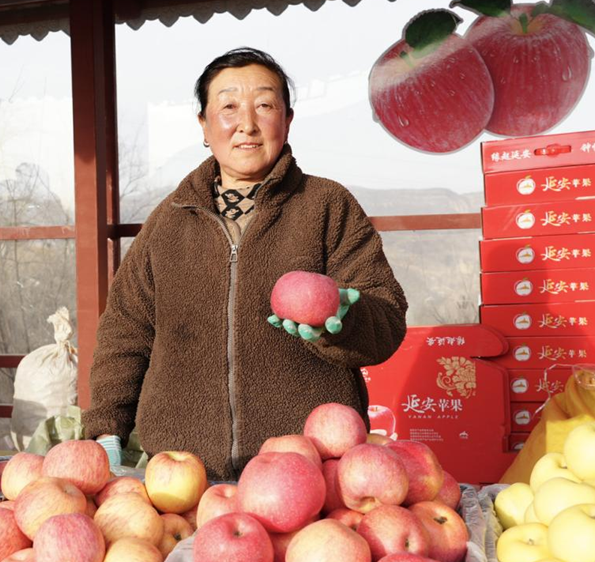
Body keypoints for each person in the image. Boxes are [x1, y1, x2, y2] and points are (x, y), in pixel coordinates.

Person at [82, 47, 408, 480]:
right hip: (183, 476)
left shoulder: (327, 206)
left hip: (310, 469)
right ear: (204, 125)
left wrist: (345, 317)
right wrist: (107, 431)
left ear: (287, 120)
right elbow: (126, 329)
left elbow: (386, 317)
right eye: (229, 106)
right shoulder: (169, 220)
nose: (247, 124)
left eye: (265, 105)